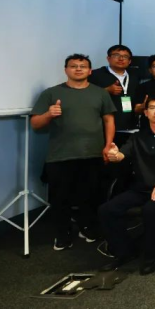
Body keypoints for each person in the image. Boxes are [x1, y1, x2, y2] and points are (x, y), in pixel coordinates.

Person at [30, 54, 116, 250]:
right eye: (73, 66)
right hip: (61, 155)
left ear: (90, 71)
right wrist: (48, 114)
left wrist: (108, 145)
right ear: (66, 70)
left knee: (91, 196)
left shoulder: (100, 93)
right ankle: (62, 234)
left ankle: (87, 228)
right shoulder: (51, 93)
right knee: (60, 198)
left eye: (82, 66)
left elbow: (109, 120)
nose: (78, 69)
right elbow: (35, 124)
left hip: (92, 153)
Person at [99, 97, 155, 274]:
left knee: (150, 211)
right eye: (153, 108)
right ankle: (125, 251)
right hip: (140, 188)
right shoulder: (137, 136)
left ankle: (151, 257)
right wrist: (115, 155)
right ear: (146, 113)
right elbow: (121, 155)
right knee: (106, 210)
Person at [89, 44, 139, 134]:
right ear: (108, 58)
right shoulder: (95, 75)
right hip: (103, 127)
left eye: (125, 56)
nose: (121, 59)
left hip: (130, 127)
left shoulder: (134, 76)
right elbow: (86, 96)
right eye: (116, 55)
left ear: (129, 61)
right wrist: (105, 90)